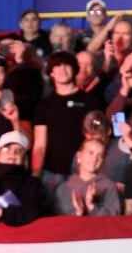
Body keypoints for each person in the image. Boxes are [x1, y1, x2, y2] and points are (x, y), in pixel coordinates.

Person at [31, 51, 103, 198]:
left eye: (67, 65)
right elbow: (39, 144)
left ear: (74, 69)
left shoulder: (91, 102)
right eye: (57, 66)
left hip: (82, 172)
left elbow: (98, 138)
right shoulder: (44, 105)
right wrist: (35, 175)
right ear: (51, 72)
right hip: (51, 173)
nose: (62, 69)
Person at [0, 131, 49, 226]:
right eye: (6, 148)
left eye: (19, 150)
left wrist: (1, 212)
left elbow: (37, 211)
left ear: (24, 160)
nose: (13, 152)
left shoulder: (33, 184)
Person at [55, 138, 121, 216]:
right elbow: (59, 220)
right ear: (79, 156)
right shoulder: (63, 188)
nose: (95, 158)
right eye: (91, 153)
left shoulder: (108, 186)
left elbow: (114, 217)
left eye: (100, 155)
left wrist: (92, 207)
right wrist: (78, 213)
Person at [0, 54, 23, 151]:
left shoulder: (15, 101)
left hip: (6, 157)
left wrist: (15, 121)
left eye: (0, 72)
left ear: (5, 75)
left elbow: (27, 143)